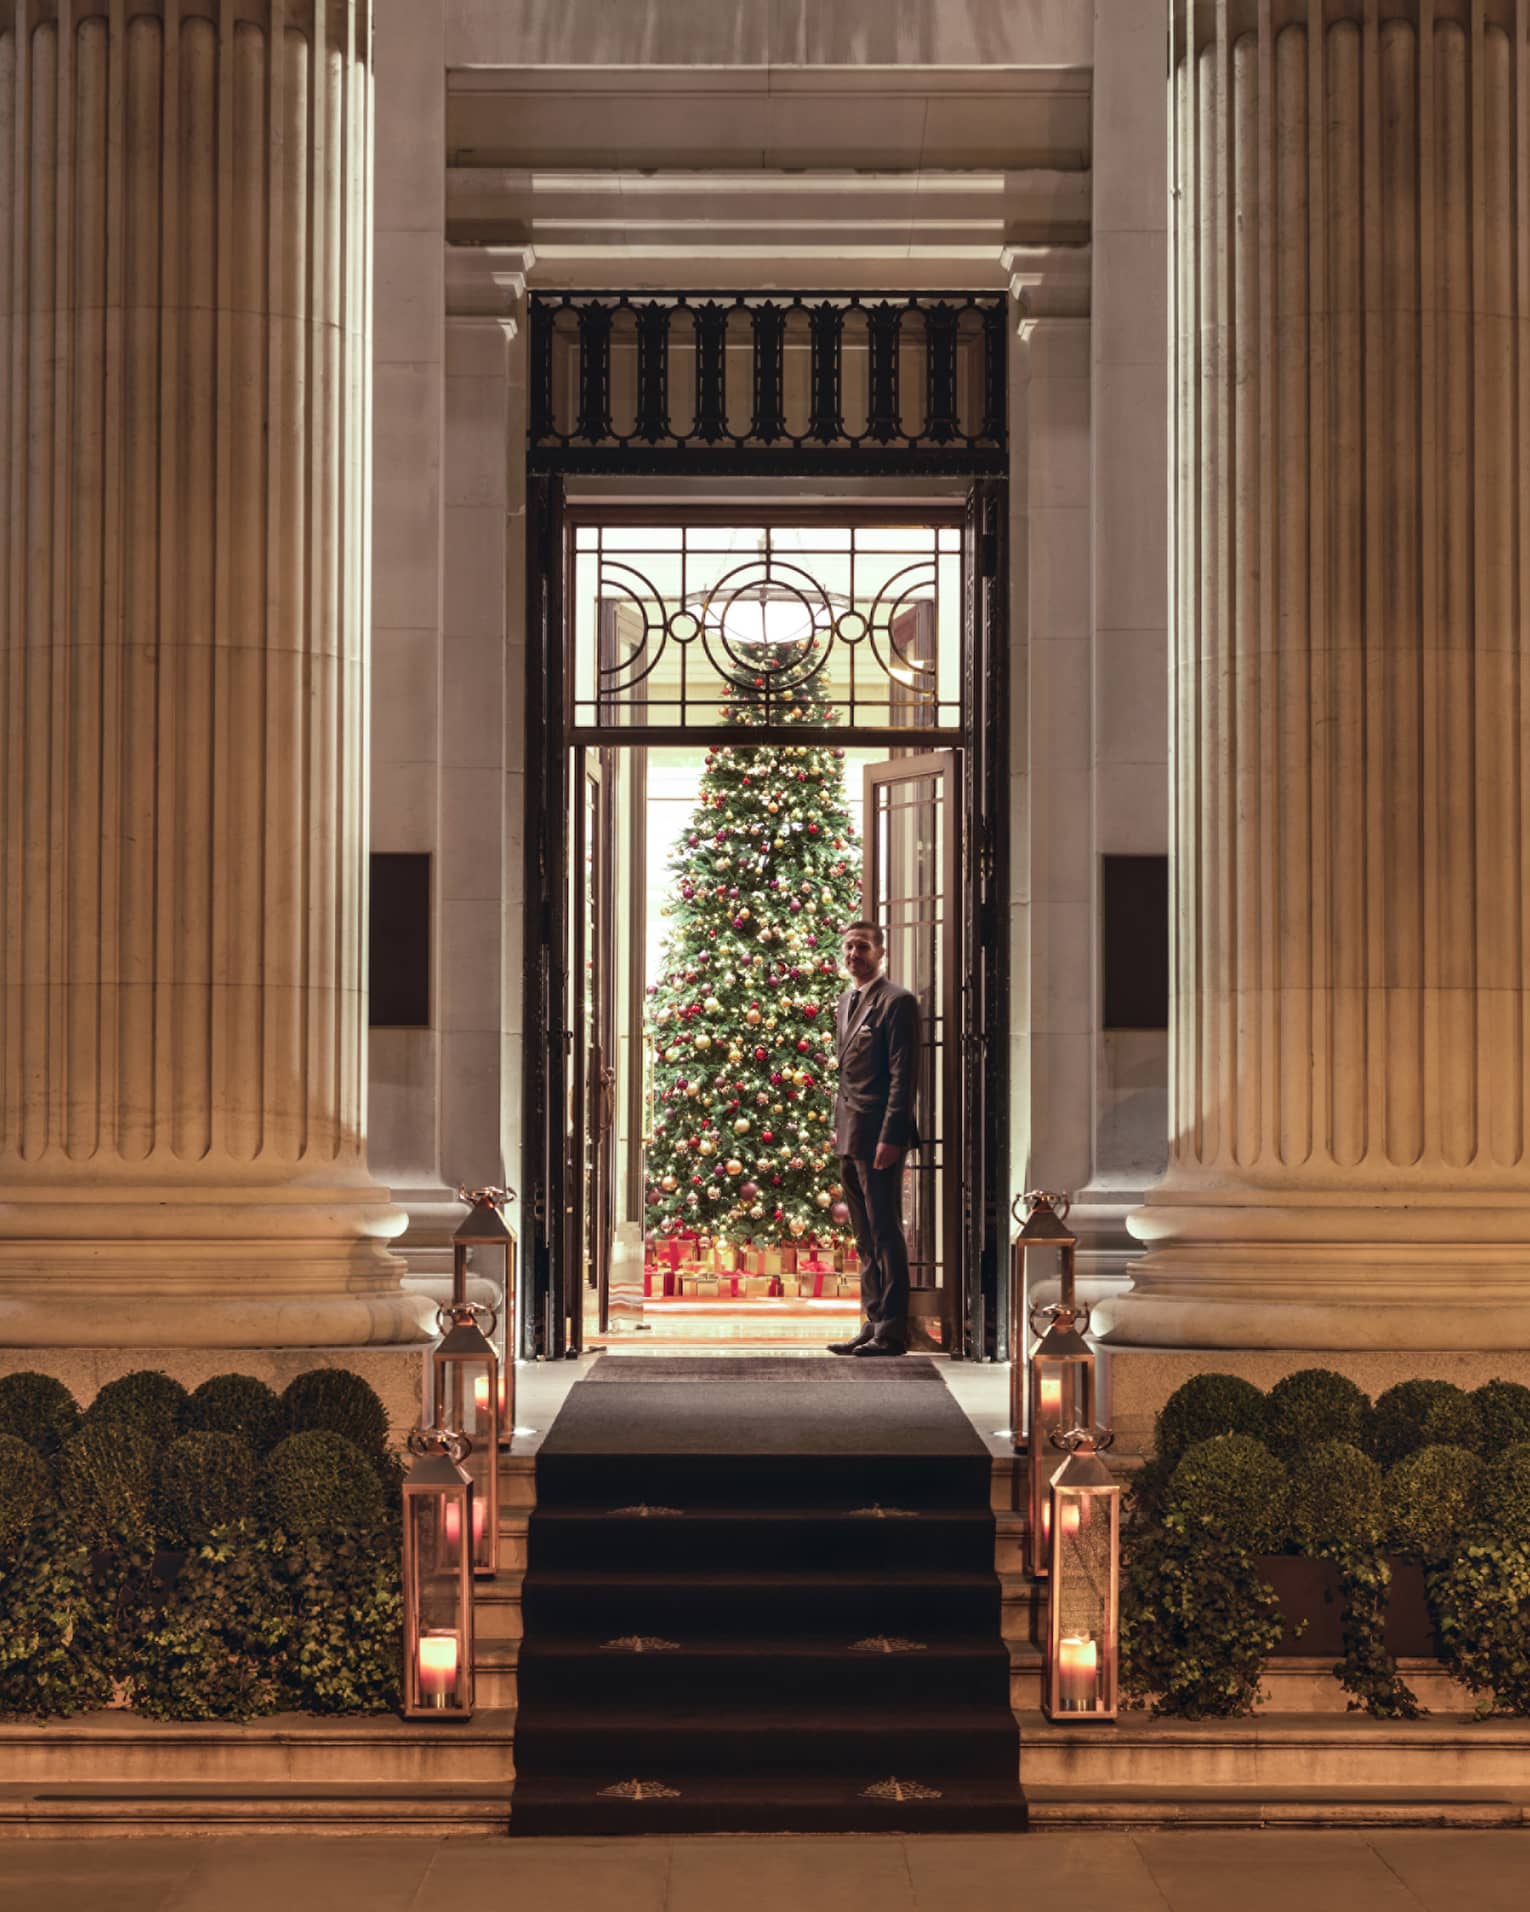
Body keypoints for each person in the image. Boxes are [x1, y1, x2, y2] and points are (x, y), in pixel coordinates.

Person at [827, 920, 920, 1358]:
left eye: (862, 947)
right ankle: (872, 1319)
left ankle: (894, 1330)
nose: (853, 955)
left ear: (880, 952)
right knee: (864, 1236)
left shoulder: (897, 1002)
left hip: (879, 1137)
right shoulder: (847, 1000)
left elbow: (904, 1077)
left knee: (885, 1232)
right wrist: (837, 1129)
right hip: (849, 1134)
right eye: (848, 947)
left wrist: (892, 1136)